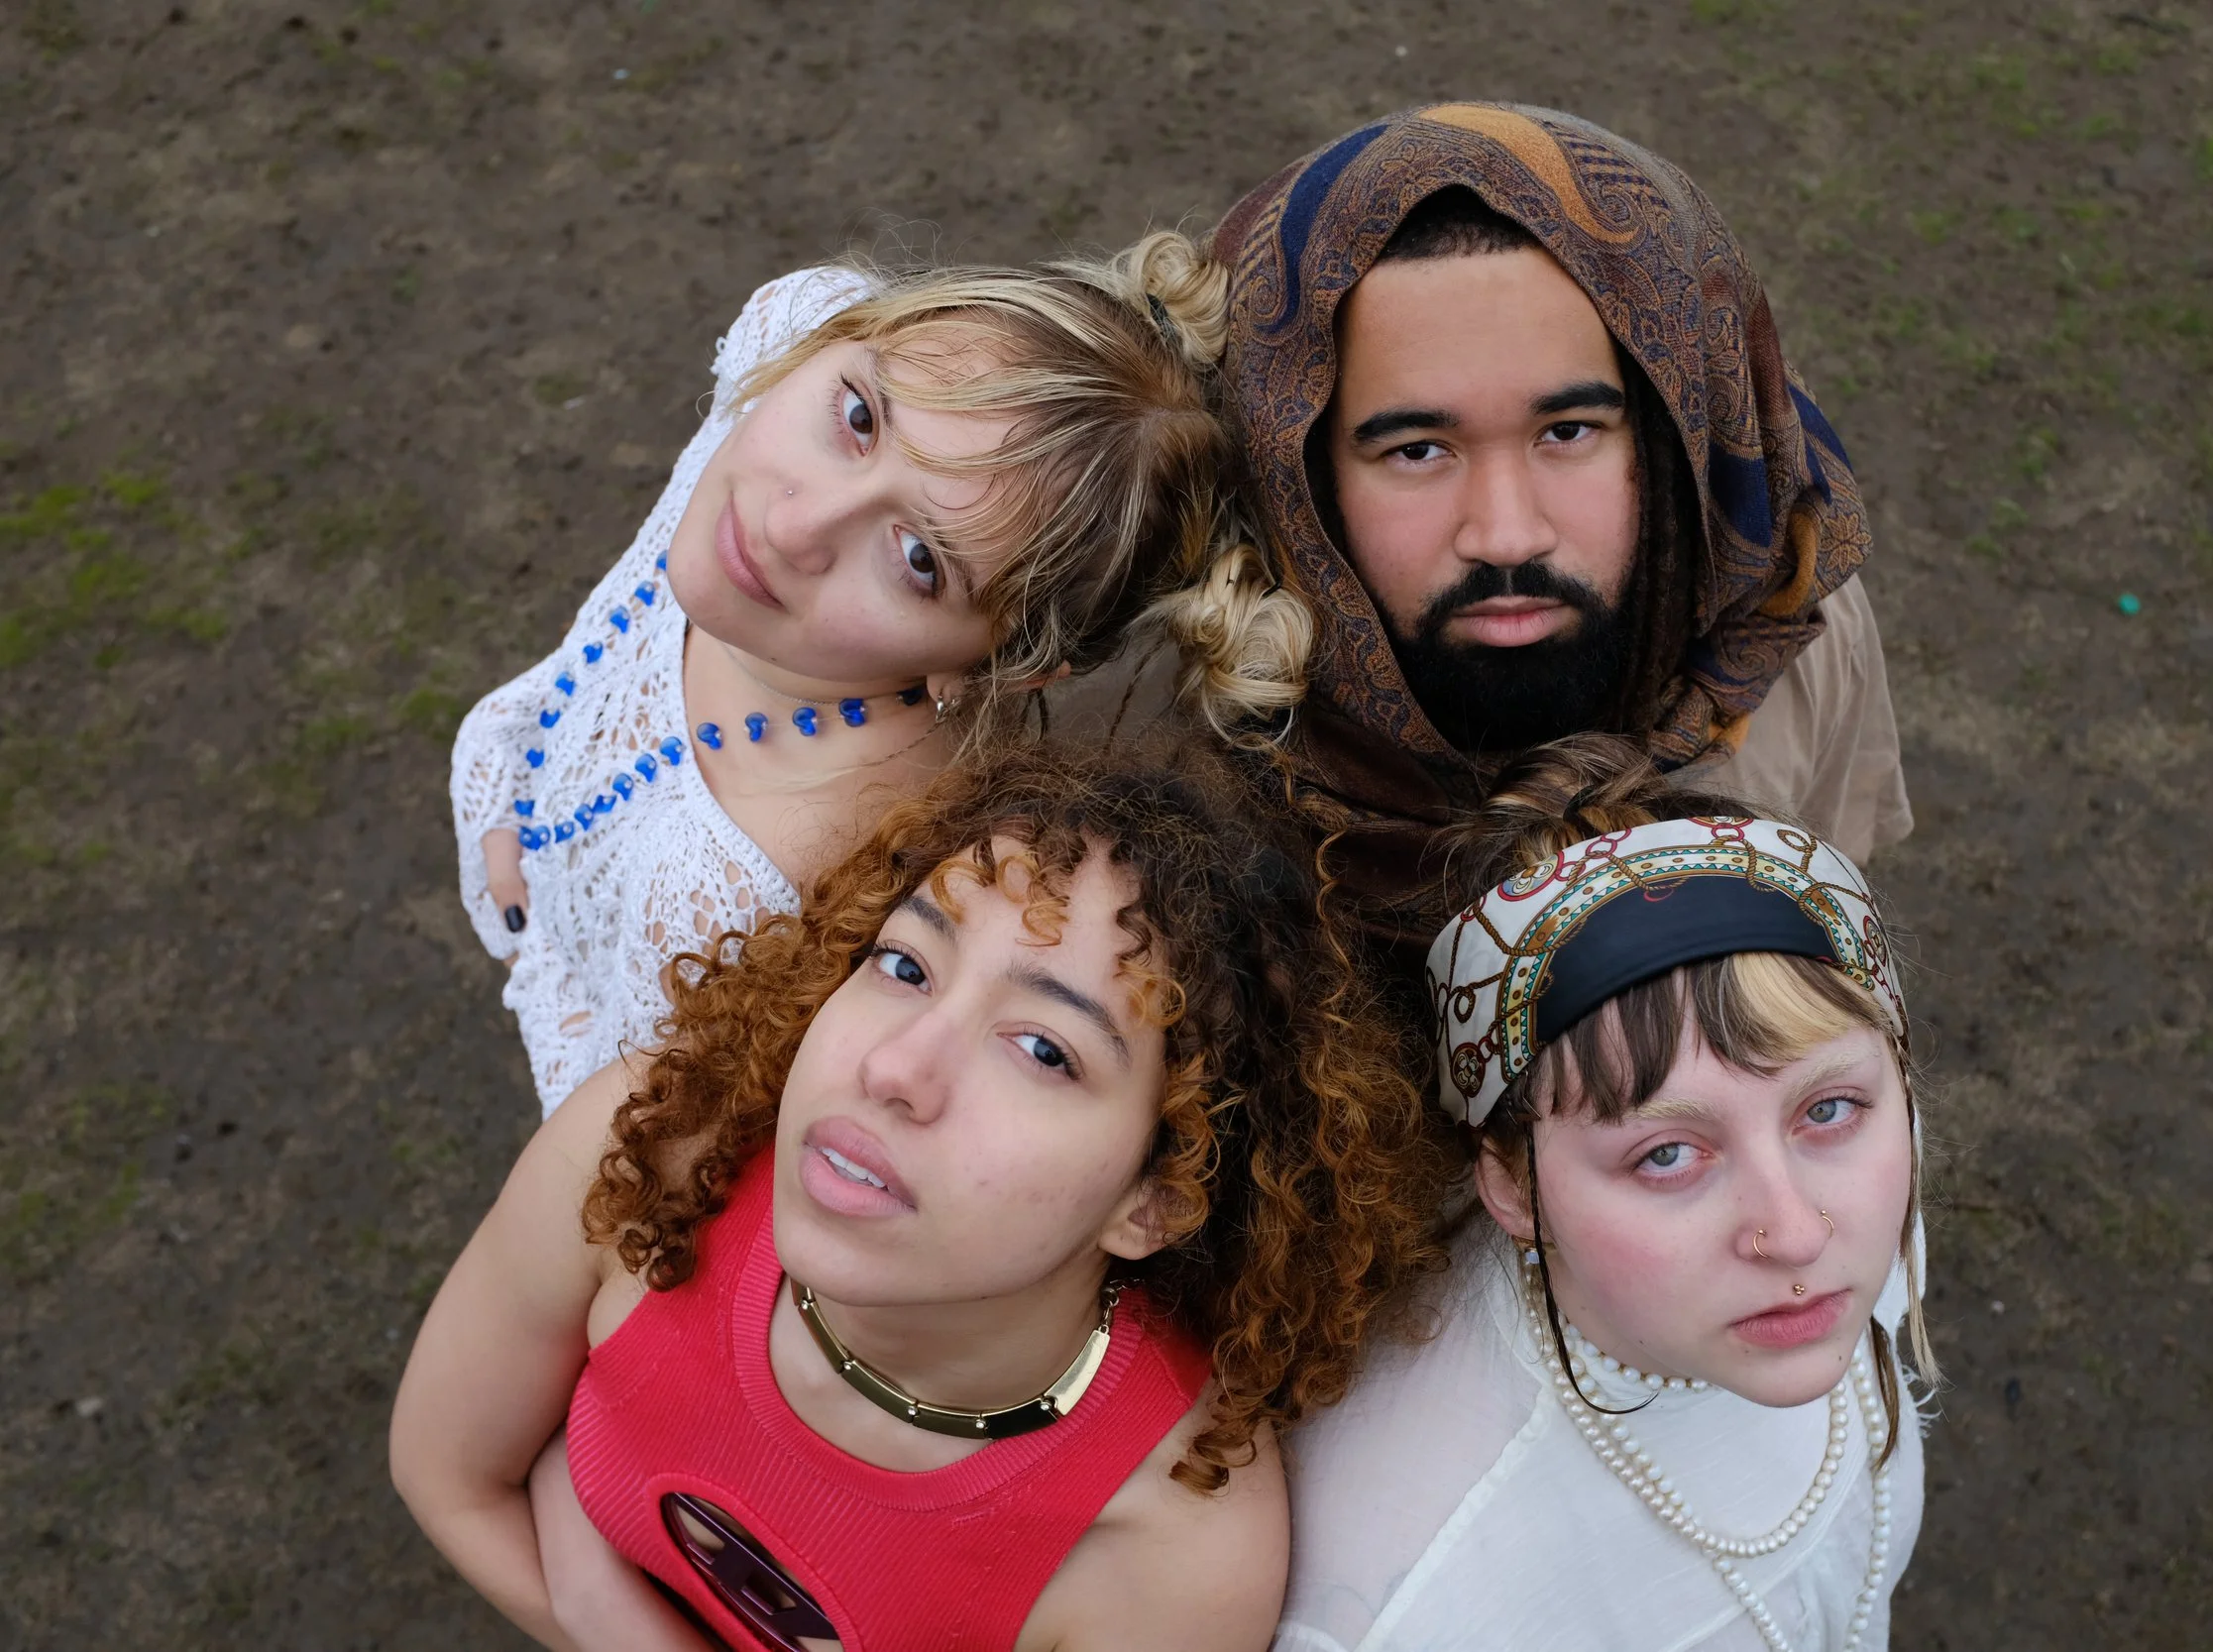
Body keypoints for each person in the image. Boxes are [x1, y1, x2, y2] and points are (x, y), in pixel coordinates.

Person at [391, 746, 1449, 1652]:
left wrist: (599, 1595)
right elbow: (451, 1480)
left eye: (1043, 1049)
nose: (896, 1066)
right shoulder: (655, 1142)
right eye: (903, 964)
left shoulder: (1168, 1551)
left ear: (1157, 1199)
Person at [451, 234, 1238, 1111]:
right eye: (863, 419)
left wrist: (534, 950)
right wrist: (513, 758)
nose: (792, 526)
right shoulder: (797, 329)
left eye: (918, 559)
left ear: (1000, 669)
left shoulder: (745, 889)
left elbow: (606, 1121)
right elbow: (611, 638)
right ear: (851, 333)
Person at [1147, 103, 1911, 987]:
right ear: (1295, 478)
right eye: (1417, 450)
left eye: (1568, 431)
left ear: (1671, 434)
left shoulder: (1789, 640)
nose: (1507, 535)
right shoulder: (1156, 728)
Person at [1274, 737, 1934, 1652]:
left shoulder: (1866, 1199)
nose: (1794, 1233)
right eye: (1667, 1155)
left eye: (1826, 1108)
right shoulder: (1415, 1607)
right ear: (1511, 1182)